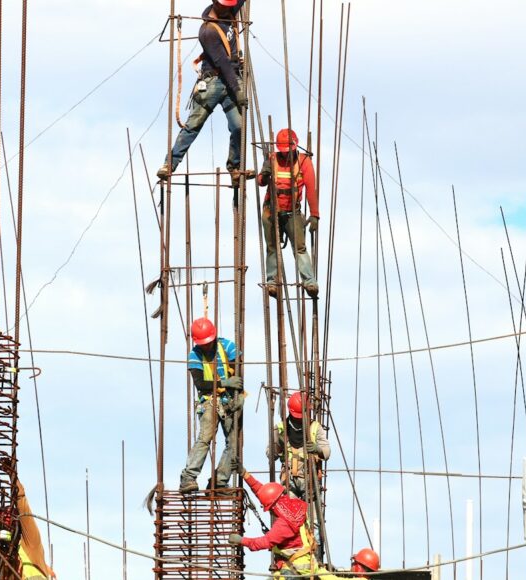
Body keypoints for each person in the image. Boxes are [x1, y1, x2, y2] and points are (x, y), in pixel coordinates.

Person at [157, 0, 252, 181]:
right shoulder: (207, 31)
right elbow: (223, 64)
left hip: (232, 79)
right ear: (215, 3)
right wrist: (238, 90)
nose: (227, 9)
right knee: (193, 125)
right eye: (224, 6)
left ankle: (235, 167)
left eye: (229, 6)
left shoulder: (229, 10)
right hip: (214, 82)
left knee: (239, 127)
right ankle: (170, 164)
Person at [230, 470, 336, 578]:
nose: (270, 511)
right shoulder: (293, 505)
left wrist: (241, 540)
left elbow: (264, 542)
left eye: (269, 508)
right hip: (305, 562)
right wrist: (244, 474)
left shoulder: (283, 524)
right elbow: (265, 493)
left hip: (295, 569)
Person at [180, 317, 243, 492]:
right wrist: (225, 383)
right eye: (203, 344)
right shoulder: (194, 355)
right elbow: (200, 384)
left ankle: (219, 481)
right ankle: (188, 478)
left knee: (234, 443)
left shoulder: (228, 347)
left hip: (229, 401)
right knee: (205, 438)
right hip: (209, 401)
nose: (206, 346)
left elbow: (238, 373)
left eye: (208, 343)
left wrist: (237, 391)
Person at [256, 128, 319, 298]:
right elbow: (260, 182)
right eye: (283, 152)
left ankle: (309, 281)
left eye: (288, 151)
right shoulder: (272, 159)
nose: (286, 155)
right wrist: (265, 174)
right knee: (272, 248)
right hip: (271, 211)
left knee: (300, 248)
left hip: (292, 213)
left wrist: (314, 214)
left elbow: (311, 189)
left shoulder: (304, 161)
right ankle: (272, 282)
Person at [268, 391, 331, 500]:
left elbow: (327, 453)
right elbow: (270, 455)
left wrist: (317, 449)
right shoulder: (280, 428)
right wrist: (278, 446)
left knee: (313, 516)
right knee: (291, 514)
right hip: (289, 480)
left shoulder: (315, 427)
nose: (300, 419)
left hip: (309, 479)